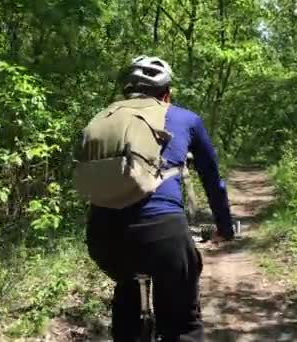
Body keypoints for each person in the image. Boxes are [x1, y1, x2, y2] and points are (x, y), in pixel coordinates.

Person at [78, 55, 234, 341]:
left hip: (102, 237)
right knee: (182, 323)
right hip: (163, 233)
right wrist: (224, 226)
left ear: (127, 92)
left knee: (127, 284)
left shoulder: (106, 118)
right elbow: (212, 179)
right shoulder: (186, 118)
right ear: (167, 94)